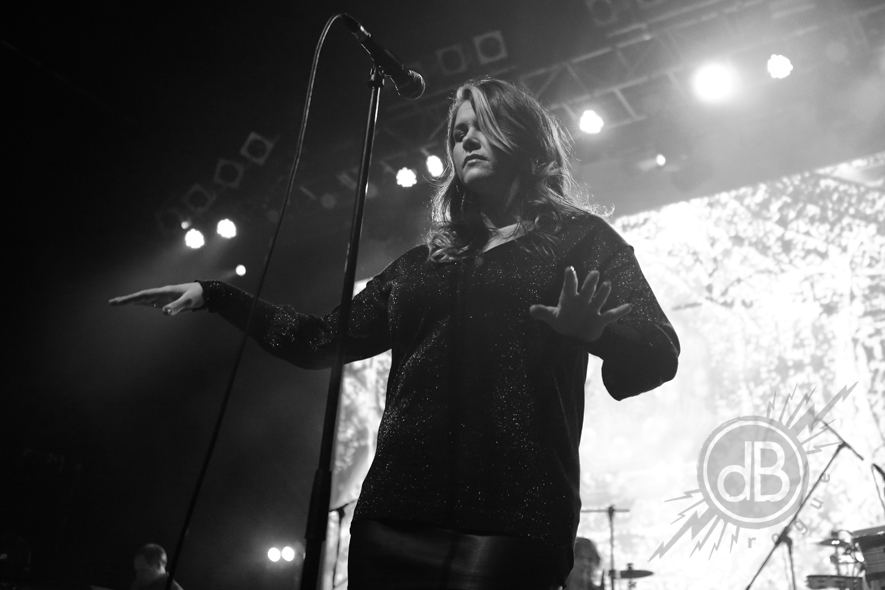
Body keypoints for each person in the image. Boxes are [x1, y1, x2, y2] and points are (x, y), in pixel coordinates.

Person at [110, 78, 679, 589]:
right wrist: (217, 294)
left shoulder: (581, 240)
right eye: (458, 133)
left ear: (524, 137)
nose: (467, 140)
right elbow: (317, 340)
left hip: (514, 519)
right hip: (395, 516)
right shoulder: (421, 266)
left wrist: (599, 334)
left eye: (483, 126)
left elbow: (659, 349)